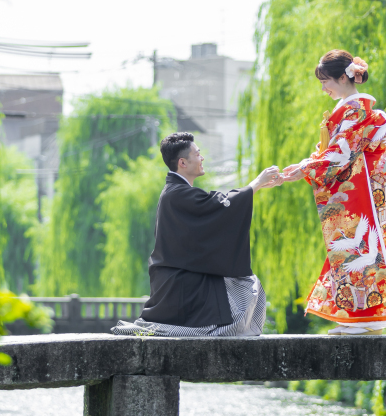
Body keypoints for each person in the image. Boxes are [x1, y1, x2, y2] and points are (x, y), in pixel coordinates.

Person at [112, 132, 282, 337]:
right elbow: (221, 206)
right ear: (183, 162)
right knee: (246, 290)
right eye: (198, 154)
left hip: (180, 278)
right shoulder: (177, 193)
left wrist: (258, 185)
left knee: (245, 286)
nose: (202, 158)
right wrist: (257, 182)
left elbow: (214, 212)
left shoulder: (176, 192)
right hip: (182, 285)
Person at [281, 50, 386, 335]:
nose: (323, 88)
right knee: (358, 248)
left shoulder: (354, 109)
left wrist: (306, 168)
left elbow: (340, 154)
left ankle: (366, 317)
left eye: (325, 81)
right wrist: (305, 165)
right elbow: (333, 153)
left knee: (357, 247)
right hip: (358, 188)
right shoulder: (353, 110)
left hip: (358, 193)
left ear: (342, 78)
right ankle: (365, 317)